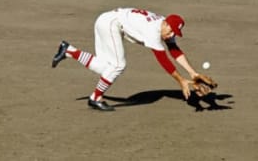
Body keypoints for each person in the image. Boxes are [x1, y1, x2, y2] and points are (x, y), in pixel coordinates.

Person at [51, 7, 212, 111]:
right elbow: (163, 59)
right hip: (110, 23)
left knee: (107, 68)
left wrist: (193, 73)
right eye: (171, 32)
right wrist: (181, 81)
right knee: (118, 66)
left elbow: (174, 50)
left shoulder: (165, 26)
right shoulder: (153, 30)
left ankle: (69, 51)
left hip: (107, 20)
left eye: (174, 34)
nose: (171, 36)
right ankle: (95, 98)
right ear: (167, 24)